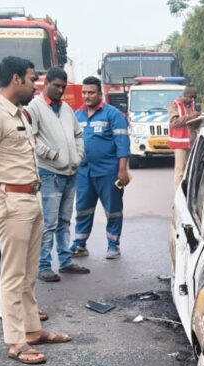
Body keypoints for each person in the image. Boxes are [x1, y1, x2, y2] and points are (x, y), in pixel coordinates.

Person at [0, 56, 72, 365]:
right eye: (31, 79)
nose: (35, 86)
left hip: (30, 197)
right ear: (16, 79)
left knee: (28, 273)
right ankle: (16, 340)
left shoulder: (19, 113)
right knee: (13, 273)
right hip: (11, 200)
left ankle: (32, 329)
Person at [25, 66, 89, 282]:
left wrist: (79, 154)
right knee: (49, 223)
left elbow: (78, 134)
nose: (60, 90)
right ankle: (44, 265)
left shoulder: (66, 108)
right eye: (56, 86)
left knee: (64, 220)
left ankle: (65, 261)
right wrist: (51, 155)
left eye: (63, 87)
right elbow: (31, 137)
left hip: (71, 172)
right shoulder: (34, 107)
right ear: (46, 84)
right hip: (49, 173)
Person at [69, 76, 130, 260]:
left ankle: (113, 245)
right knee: (83, 209)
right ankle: (79, 244)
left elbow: (122, 143)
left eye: (91, 92)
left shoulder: (113, 115)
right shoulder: (77, 115)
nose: (87, 96)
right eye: (84, 92)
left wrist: (122, 170)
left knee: (113, 210)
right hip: (84, 172)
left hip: (108, 171)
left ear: (100, 94)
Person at [168, 85, 199, 190]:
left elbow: (194, 126)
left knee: (190, 170)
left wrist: (198, 119)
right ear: (186, 95)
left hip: (191, 142)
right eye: (191, 97)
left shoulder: (192, 106)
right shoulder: (174, 105)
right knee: (180, 171)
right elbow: (174, 123)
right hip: (180, 143)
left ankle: (188, 194)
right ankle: (178, 195)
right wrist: (190, 117)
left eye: (194, 98)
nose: (192, 100)